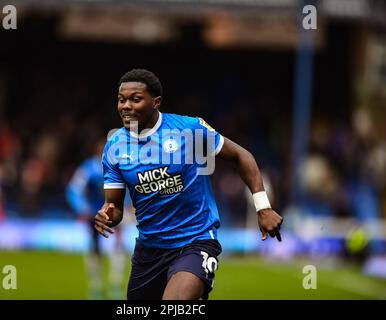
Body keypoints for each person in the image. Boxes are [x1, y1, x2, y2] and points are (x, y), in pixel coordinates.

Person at [94, 69, 283, 300]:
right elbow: (114, 207)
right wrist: (106, 214)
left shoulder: (189, 129)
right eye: (121, 100)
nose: (126, 106)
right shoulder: (114, 146)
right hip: (149, 250)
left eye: (135, 99)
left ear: (156, 102)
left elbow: (241, 156)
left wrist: (263, 206)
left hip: (195, 241)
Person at [66, 140, 126, 299]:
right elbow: (73, 190)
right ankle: (97, 286)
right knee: (96, 248)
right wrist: (82, 208)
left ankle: (114, 283)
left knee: (118, 246)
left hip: (114, 213)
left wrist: (128, 207)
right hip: (95, 214)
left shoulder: (117, 166)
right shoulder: (89, 168)